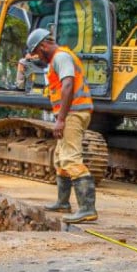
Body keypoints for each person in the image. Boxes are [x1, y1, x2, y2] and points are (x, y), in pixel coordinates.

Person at [26, 28, 98, 223]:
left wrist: (61, 119)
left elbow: (68, 85)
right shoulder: (56, 60)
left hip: (73, 114)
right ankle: (63, 202)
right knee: (60, 159)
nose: (38, 57)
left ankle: (87, 208)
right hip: (70, 113)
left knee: (71, 159)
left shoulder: (61, 57)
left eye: (37, 53)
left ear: (43, 45)